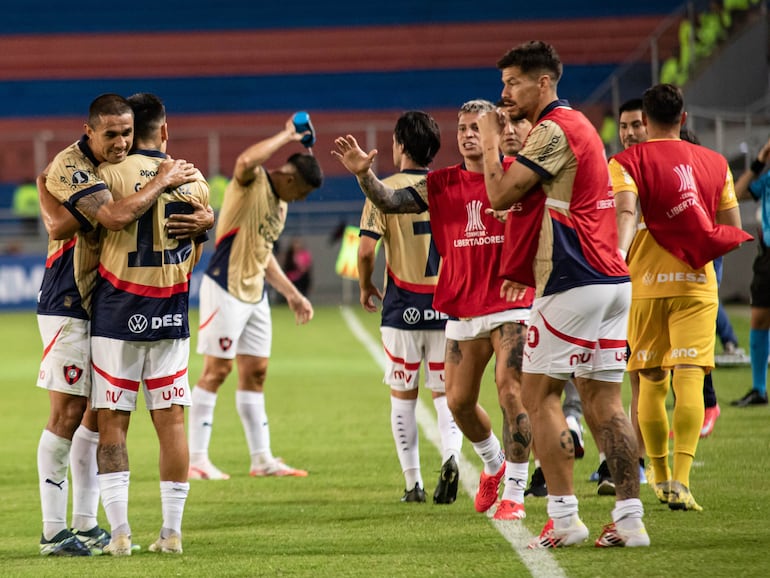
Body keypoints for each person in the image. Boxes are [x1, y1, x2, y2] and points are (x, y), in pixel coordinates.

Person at [478, 40, 648, 548]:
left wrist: (490, 139)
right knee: (604, 400)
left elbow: (501, 192)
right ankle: (631, 519)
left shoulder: (554, 128)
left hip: (573, 279)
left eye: (513, 82)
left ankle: (566, 517)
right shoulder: (580, 128)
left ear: (544, 82)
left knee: (538, 394)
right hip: (611, 281)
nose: (504, 93)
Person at [334, 99, 534, 521]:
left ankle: (515, 492)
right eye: (461, 127)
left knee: (510, 390)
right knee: (459, 403)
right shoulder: (440, 184)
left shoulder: (518, 176)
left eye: (476, 127)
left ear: (497, 132)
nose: (466, 134)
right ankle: (495, 463)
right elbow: (388, 200)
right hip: (460, 308)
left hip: (510, 302)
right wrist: (364, 174)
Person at [36, 93, 206, 557]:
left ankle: (88, 524)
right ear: (89, 131)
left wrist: (205, 221)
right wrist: (167, 178)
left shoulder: (118, 168)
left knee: (96, 415)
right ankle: (54, 531)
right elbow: (109, 216)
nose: (120, 142)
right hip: (69, 299)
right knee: (68, 414)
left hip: (105, 305)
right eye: (110, 134)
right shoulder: (73, 164)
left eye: (127, 133)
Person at [611, 83, 748, 513]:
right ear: (683, 119)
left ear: (645, 122)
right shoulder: (715, 163)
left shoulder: (626, 161)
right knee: (689, 379)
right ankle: (683, 481)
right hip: (696, 285)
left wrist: (620, 253)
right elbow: (731, 229)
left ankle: (658, 475)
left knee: (649, 382)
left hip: (646, 284)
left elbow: (626, 212)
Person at [88, 93, 209, 555]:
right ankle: (171, 532)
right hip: (171, 313)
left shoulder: (109, 175)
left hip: (117, 311)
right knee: (171, 421)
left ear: (128, 131)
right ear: (165, 129)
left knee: (113, 422)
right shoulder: (194, 182)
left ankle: (119, 534)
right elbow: (194, 248)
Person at [188, 118, 323, 481]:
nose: (304, 199)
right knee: (217, 371)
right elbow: (246, 161)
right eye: (304, 192)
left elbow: (263, 254)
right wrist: (287, 136)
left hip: (255, 294)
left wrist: (292, 294)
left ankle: (261, 459)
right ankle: (196, 459)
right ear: (291, 179)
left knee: (256, 374)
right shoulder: (253, 182)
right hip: (225, 288)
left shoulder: (281, 206)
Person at [357, 110, 464, 503]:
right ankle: (452, 455)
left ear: (399, 145)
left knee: (404, 397)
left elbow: (366, 250)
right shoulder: (447, 188)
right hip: (446, 306)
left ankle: (413, 484)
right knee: (446, 395)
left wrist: (366, 286)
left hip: (402, 309)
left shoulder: (383, 191)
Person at [496, 111, 585, 500]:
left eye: (517, 123)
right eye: (503, 125)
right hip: (526, 293)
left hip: (558, 286)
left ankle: (571, 442)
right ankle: (549, 463)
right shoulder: (496, 176)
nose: (510, 130)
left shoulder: (544, 173)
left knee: (542, 390)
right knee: (533, 390)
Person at [731, 133, 770, 407]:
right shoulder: (767, 181)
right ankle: (759, 389)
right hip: (767, 257)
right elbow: (735, 194)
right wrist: (759, 162)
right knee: (759, 319)